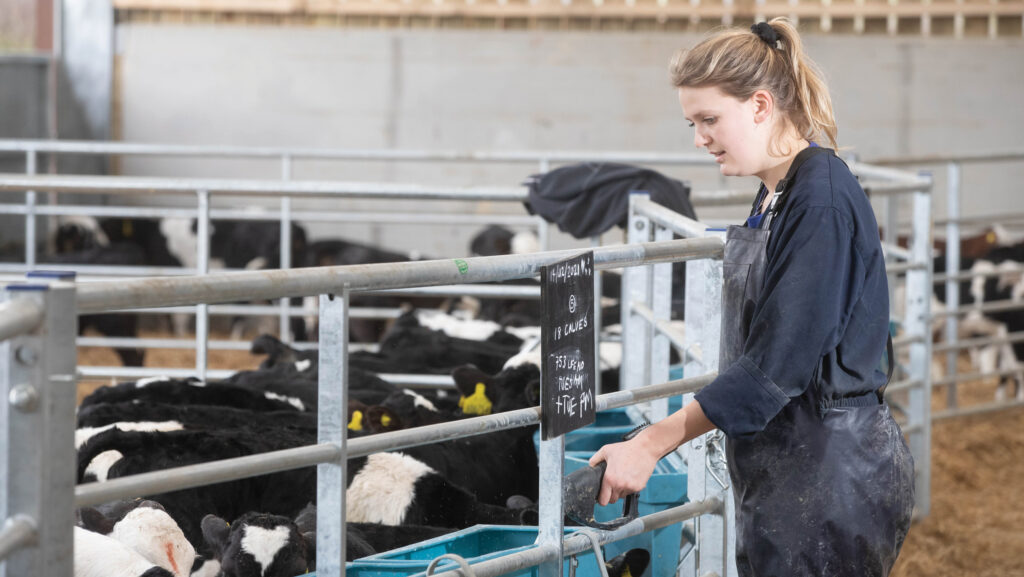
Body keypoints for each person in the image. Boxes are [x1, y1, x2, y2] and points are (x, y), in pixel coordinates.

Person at [589, 17, 915, 577]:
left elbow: (776, 365)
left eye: (709, 119)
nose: (699, 138)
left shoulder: (820, 202)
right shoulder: (778, 193)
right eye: (693, 122)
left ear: (761, 106)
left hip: (827, 473)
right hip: (791, 464)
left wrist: (652, 443)